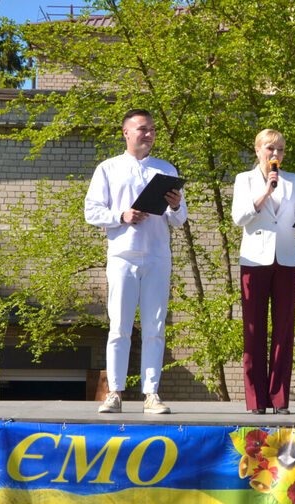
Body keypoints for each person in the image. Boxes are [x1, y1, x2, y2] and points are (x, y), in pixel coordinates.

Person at [84, 108, 187, 414]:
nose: (149, 134)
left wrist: (175, 205)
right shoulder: (108, 168)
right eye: (143, 129)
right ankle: (114, 392)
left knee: (155, 326)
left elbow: (179, 219)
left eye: (152, 129)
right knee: (119, 326)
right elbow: (91, 211)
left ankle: (151, 393)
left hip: (157, 255)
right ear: (126, 132)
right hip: (122, 255)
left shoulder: (165, 169)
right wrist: (122, 215)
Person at [231, 129, 295, 414]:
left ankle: (280, 399)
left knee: (284, 331)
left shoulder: (294, 181)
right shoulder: (244, 179)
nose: (275, 154)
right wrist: (266, 192)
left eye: (280, 149)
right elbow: (239, 218)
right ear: (257, 150)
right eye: (270, 148)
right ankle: (256, 401)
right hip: (254, 260)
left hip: (286, 259)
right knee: (253, 331)